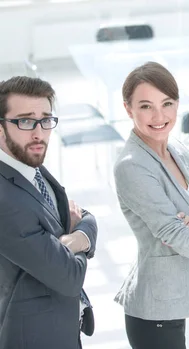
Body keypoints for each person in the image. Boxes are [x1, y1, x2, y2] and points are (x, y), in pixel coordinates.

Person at [113, 62, 189, 349]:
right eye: (146, 106)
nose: (159, 116)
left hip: (173, 302)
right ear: (128, 109)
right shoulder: (132, 166)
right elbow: (187, 241)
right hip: (153, 312)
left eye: (167, 103)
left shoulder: (175, 148)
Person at [0, 76, 98, 349]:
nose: (39, 133)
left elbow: (85, 216)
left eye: (45, 120)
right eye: (25, 121)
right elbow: (69, 277)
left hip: (61, 330)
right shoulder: (5, 200)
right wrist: (80, 234)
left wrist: (77, 239)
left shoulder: (31, 167)